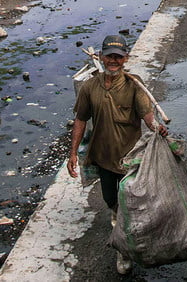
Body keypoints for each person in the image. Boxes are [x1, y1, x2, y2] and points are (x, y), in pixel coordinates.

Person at [67, 34, 168, 274]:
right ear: (101, 57)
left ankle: (124, 252)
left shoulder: (134, 85)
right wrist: (73, 153)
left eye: (118, 57)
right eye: (109, 56)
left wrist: (157, 128)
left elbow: (147, 116)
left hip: (130, 161)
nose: (114, 61)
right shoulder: (90, 87)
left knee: (127, 206)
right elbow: (80, 120)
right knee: (111, 201)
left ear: (126, 59)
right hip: (103, 159)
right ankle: (123, 232)